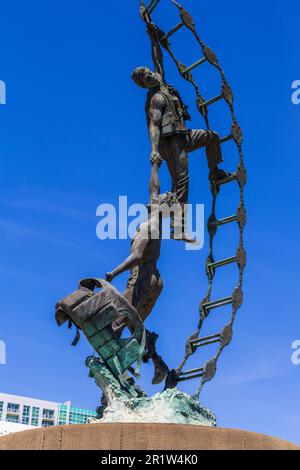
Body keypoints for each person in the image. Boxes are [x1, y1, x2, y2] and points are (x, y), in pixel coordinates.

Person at [131, 65, 230, 242]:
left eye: (148, 72)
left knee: (212, 137)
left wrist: (154, 38)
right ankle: (178, 228)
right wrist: (154, 150)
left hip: (184, 134)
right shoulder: (155, 99)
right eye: (146, 78)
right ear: (144, 85)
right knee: (181, 181)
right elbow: (153, 125)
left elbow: (158, 58)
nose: (150, 76)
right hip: (171, 142)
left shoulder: (161, 82)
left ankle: (214, 172)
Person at [106, 156, 174, 385]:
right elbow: (154, 190)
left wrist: (112, 274)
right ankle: (158, 364)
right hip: (156, 281)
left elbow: (136, 257)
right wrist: (155, 165)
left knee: (115, 325)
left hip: (141, 279)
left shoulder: (148, 226)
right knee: (136, 327)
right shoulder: (158, 223)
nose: (149, 203)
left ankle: (121, 372)